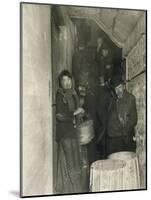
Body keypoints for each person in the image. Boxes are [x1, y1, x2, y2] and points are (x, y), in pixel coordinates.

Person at [55, 70, 86, 194]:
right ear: (61, 82)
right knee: (72, 165)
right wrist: (75, 113)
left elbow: (77, 110)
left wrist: (81, 114)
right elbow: (60, 115)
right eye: (64, 80)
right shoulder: (60, 95)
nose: (67, 83)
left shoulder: (73, 93)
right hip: (65, 133)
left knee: (77, 162)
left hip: (74, 132)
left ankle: (76, 189)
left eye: (69, 80)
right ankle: (76, 191)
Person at [106, 77, 138, 155]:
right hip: (113, 137)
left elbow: (134, 119)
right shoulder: (113, 99)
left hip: (123, 137)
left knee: (125, 159)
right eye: (116, 89)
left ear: (124, 86)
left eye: (120, 87)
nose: (118, 91)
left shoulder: (130, 98)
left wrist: (124, 131)